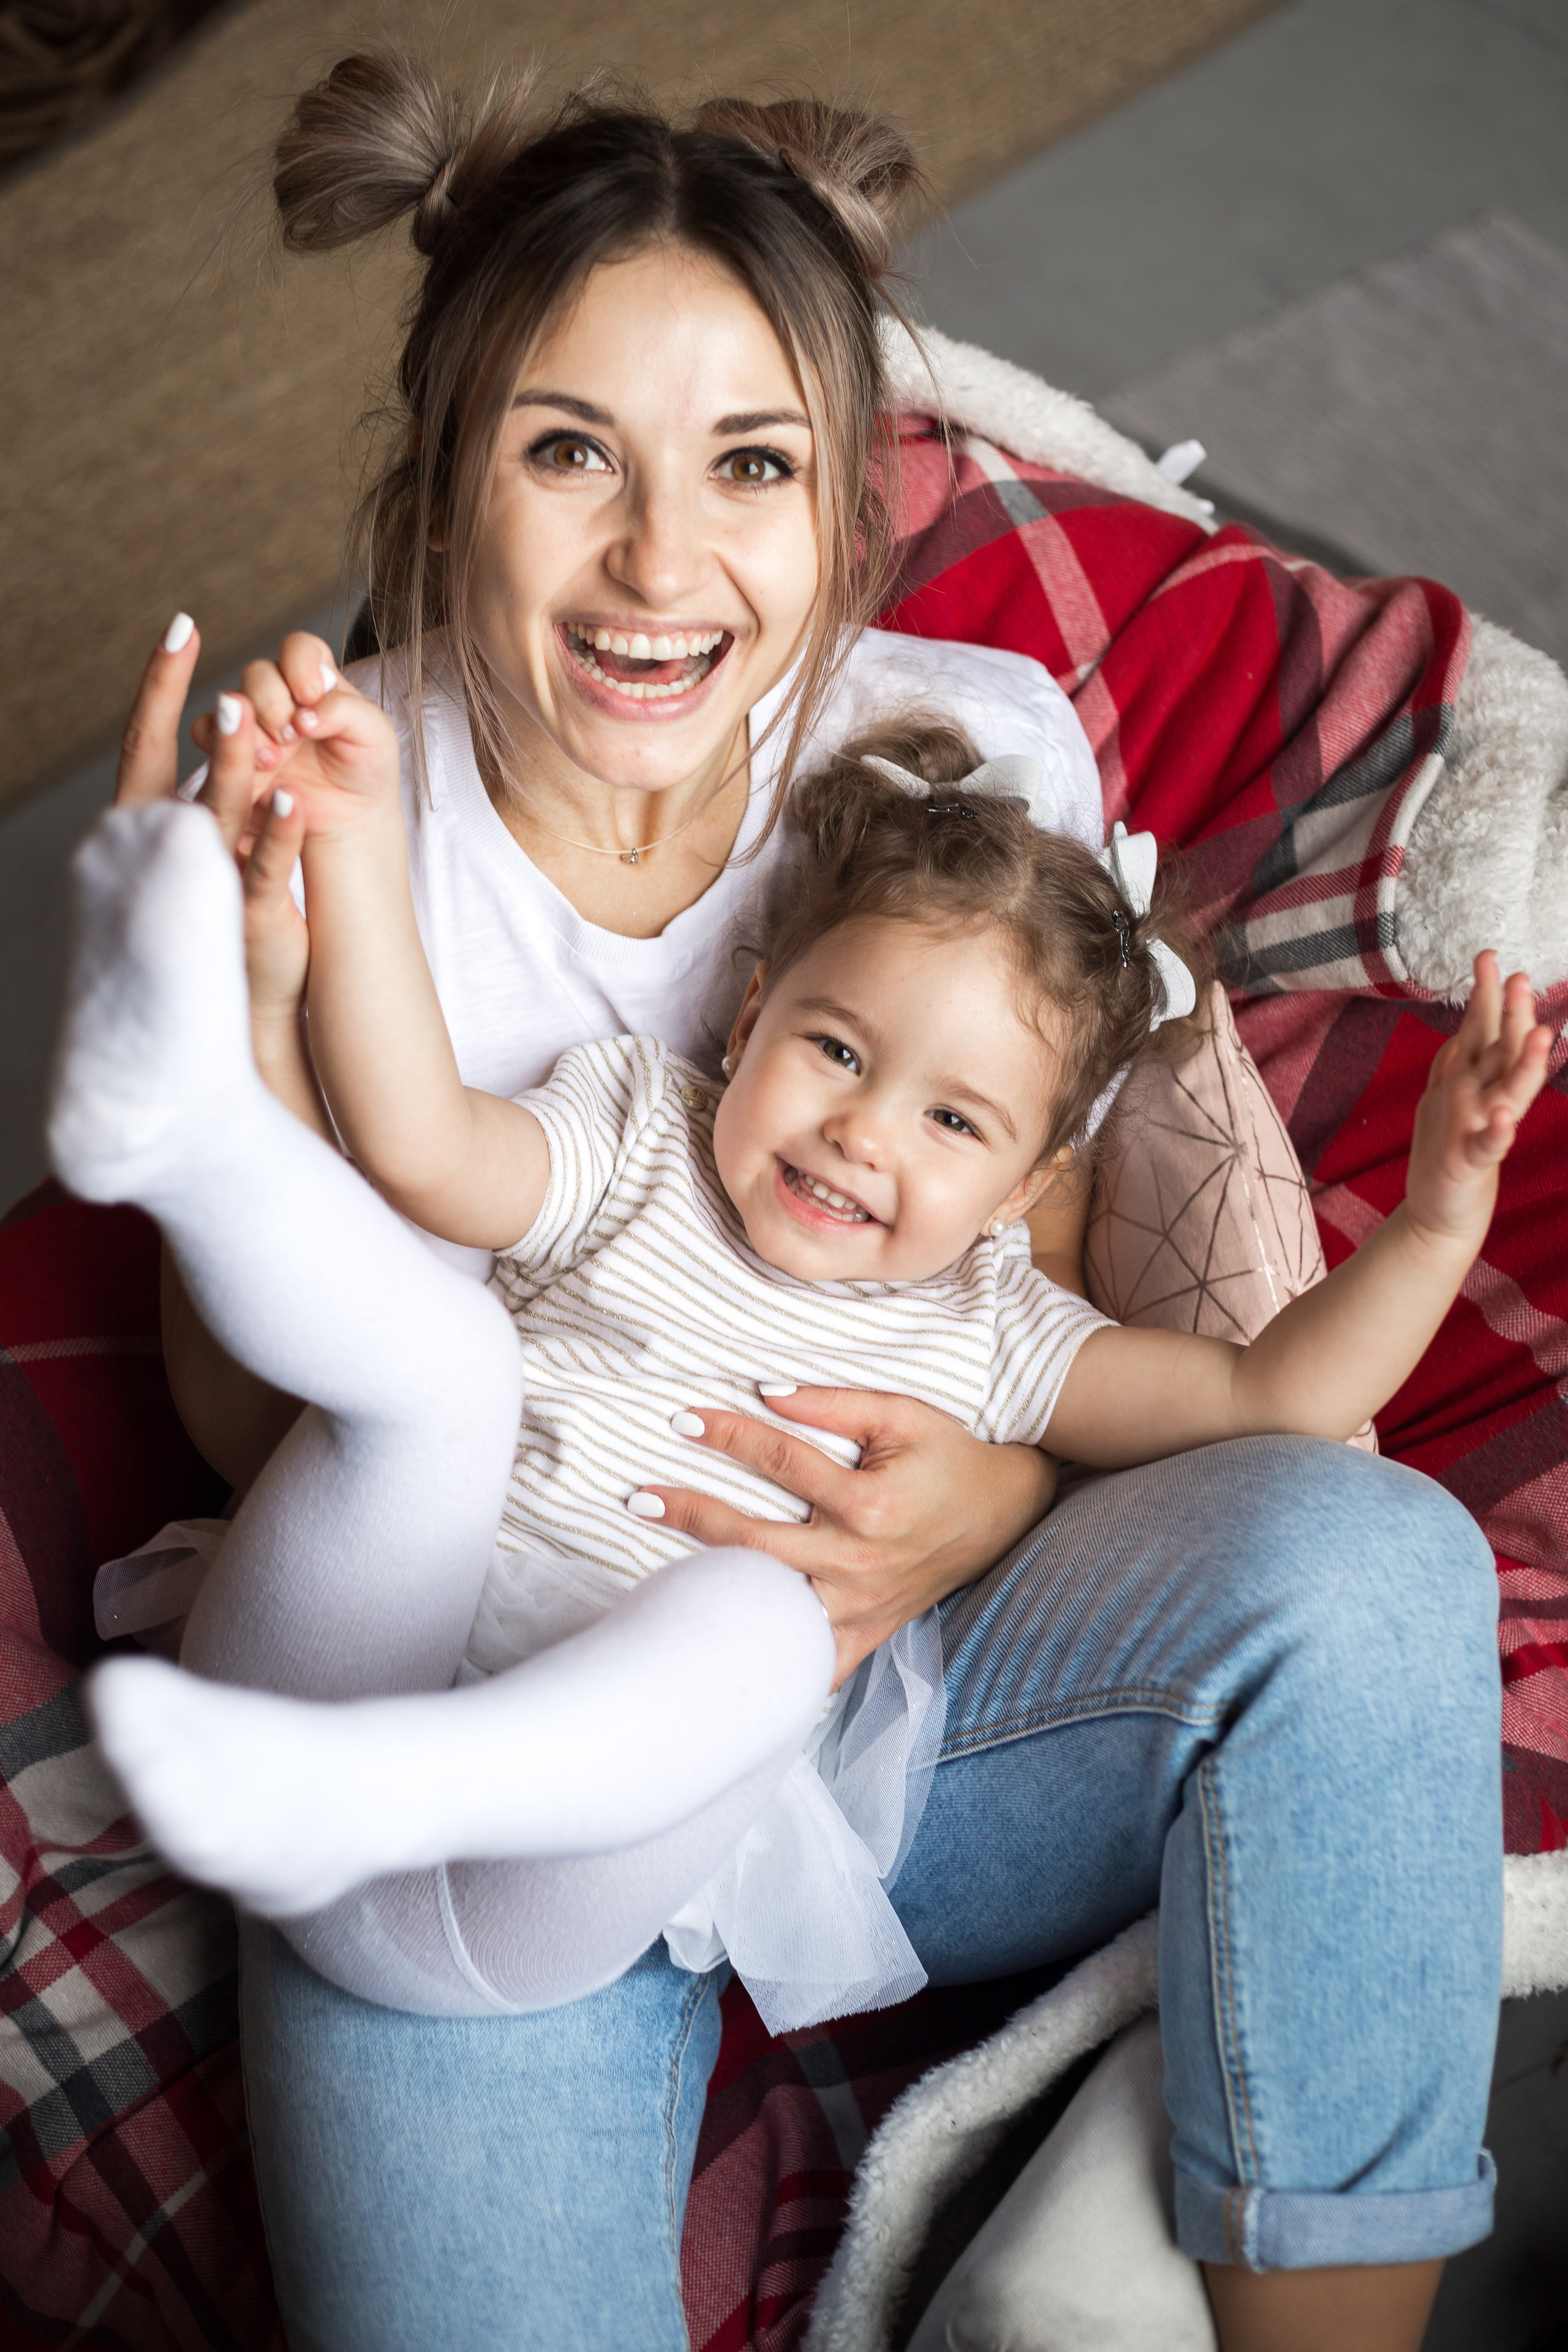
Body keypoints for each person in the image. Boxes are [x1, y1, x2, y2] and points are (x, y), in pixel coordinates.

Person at [97, 50, 1513, 2352]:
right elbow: (281, 1454)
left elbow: (1026, 1301)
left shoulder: (963, 756)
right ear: (447, 471)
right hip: (493, 1769)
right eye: (572, 455)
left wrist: (973, 1512)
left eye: (747, 467)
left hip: (910, 1705)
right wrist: (237, 1039)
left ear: (844, 498)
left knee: (1368, 1569)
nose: (664, 569)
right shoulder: (348, 818)